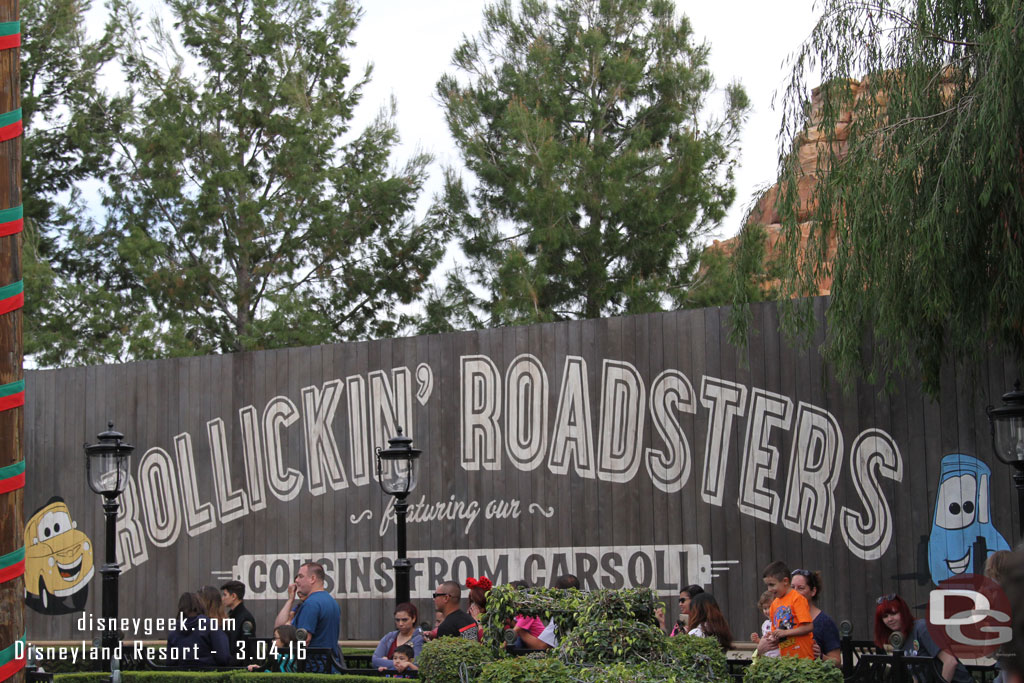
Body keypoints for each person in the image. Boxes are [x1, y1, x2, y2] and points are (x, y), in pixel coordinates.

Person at [874, 593, 971, 683]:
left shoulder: (922, 628)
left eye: (894, 613)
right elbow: (916, 676)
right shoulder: (898, 639)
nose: (890, 619)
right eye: (885, 616)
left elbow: (950, 662)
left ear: (903, 613)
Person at [291, 562, 344, 671]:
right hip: (332, 668)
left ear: (312, 579)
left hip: (314, 669)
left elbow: (304, 640)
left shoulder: (311, 604)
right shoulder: (332, 602)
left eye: (301, 576)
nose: (296, 580)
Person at [759, 560, 814, 659]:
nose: (769, 589)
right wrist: (771, 637)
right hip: (785, 659)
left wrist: (785, 633)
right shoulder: (774, 604)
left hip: (802, 658)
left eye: (772, 584)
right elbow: (776, 631)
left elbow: (808, 627)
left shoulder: (797, 599)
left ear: (785, 581)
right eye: (767, 585)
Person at [790, 569, 841, 665]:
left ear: (813, 591)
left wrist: (820, 656)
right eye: (792, 588)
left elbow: (837, 662)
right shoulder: (785, 618)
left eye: (800, 588)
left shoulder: (825, 622)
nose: (794, 593)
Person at [167, 591, 231, 666]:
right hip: (209, 674)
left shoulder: (174, 631)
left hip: (182, 676)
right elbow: (223, 657)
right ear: (200, 604)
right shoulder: (210, 626)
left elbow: (170, 663)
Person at [373, 602, 425, 670]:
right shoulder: (389, 636)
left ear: (413, 618)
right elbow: (375, 661)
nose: (400, 624)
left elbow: (416, 666)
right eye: (397, 620)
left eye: (404, 620)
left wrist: (386, 663)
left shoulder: (420, 638)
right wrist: (402, 664)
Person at [220, 579, 256, 664]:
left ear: (233, 596)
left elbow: (245, 648)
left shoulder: (245, 618)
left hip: (239, 667)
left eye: (225, 595)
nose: (223, 598)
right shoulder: (231, 615)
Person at [749, 590, 780, 658]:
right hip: (768, 657)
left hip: (779, 656)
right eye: (765, 608)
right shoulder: (765, 624)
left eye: (770, 607)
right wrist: (758, 641)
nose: (767, 611)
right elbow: (766, 643)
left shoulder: (780, 622)